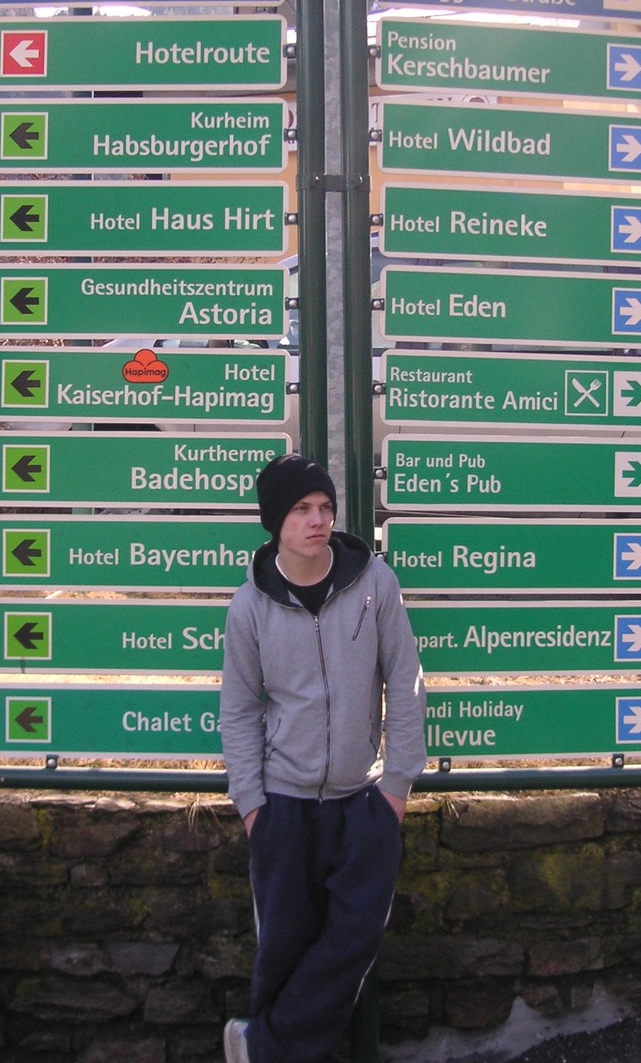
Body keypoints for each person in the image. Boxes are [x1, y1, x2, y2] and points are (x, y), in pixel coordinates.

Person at [220, 454, 427, 1063]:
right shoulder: (249, 607)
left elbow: (406, 681)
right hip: (282, 806)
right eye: (302, 509)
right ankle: (267, 1049)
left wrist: (396, 786)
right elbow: (239, 710)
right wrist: (252, 805)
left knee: (353, 942)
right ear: (275, 521)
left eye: (325, 508)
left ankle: (259, 1048)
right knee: (283, 950)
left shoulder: (374, 585)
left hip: (362, 802)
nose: (318, 520)